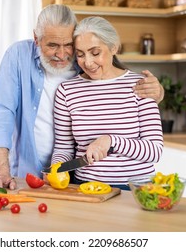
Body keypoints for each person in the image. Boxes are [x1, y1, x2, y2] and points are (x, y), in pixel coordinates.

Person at [0, 4, 164, 190]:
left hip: (128, 186)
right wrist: (4, 170)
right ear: (37, 39)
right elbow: (2, 114)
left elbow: (154, 148)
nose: (62, 55)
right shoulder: (28, 62)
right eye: (53, 45)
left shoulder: (137, 84)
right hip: (51, 175)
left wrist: (112, 140)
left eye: (69, 46)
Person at [50, 16, 164, 190]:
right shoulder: (67, 91)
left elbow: (154, 151)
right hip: (86, 187)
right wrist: (57, 168)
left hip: (136, 189)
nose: (87, 62)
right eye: (80, 55)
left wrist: (111, 141)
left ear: (113, 47)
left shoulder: (141, 85)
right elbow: (63, 148)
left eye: (95, 53)